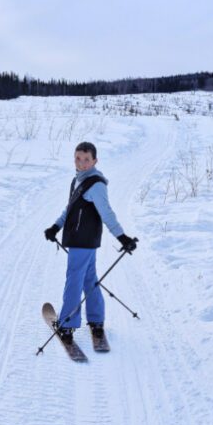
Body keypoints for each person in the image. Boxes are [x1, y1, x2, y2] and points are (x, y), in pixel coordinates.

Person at [44, 141, 137, 343]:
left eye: (87, 159)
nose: (82, 163)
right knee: (88, 279)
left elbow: (107, 214)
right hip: (82, 239)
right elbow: (69, 209)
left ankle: (67, 325)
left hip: (82, 240)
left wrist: (122, 237)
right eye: (78, 158)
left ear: (95, 160)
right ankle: (96, 320)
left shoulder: (96, 185)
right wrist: (55, 227)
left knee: (74, 280)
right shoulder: (77, 180)